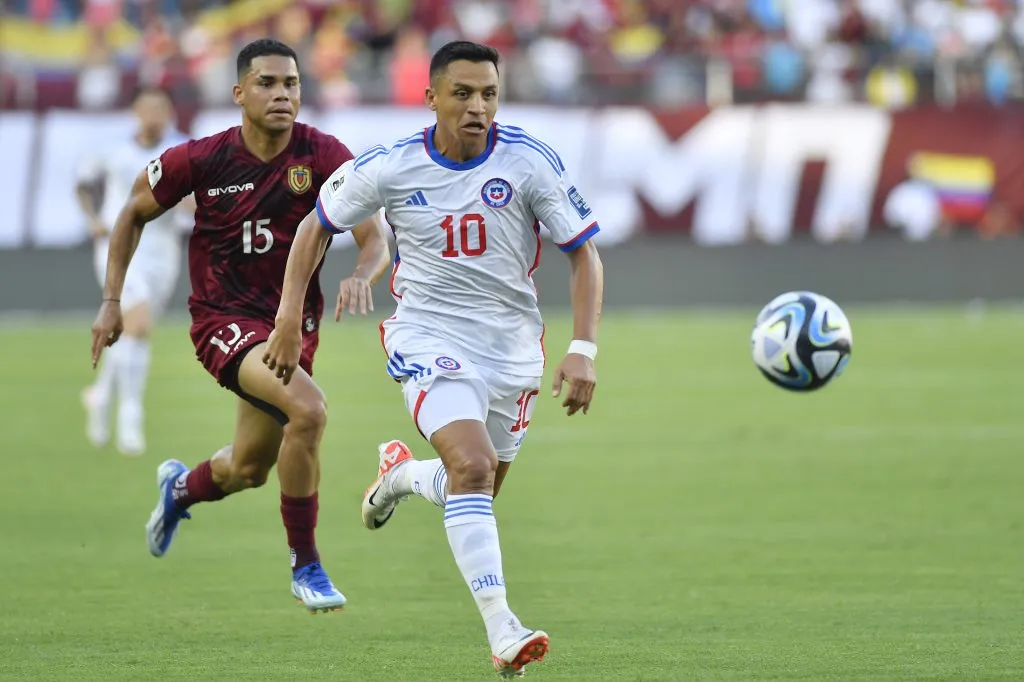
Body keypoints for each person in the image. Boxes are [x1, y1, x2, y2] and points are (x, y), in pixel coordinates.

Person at [264, 41, 604, 677]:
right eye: (463, 94)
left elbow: (583, 252)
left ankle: (400, 476)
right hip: (428, 337)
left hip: (511, 350)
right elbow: (316, 225)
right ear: (432, 98)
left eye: (489, 94)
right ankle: (503, 629)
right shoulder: (390, 166)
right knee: (472, 466)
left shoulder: (528, 161)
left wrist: (582, 349)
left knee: (470, 486)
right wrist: (287, 316)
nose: (478, 107)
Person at [89, 39, 391, 613]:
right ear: (238, 93)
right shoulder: (200, 159)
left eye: (292, 84)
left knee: (250, 468)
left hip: (292, 327)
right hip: (224, 321)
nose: (282, 94)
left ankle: (179, 489)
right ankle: (307, 565)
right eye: (267, 83)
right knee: (310, 410)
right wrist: (111, 301)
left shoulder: (324, 156)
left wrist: (363, 275)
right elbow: (131, 211)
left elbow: (376, 237)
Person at [77, 87, 192, 456]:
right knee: (139, 326)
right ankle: (131, 416)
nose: (155, 115)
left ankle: (99, 397)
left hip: (163, 252)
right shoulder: (114, 151)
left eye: (161, 108)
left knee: (129, 333)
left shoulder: (182, 150)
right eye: (148, 108)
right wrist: (93, 219)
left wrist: (194, 206)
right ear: (136, 112)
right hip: (120, 248)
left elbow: (195, 197)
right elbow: (83, 183)